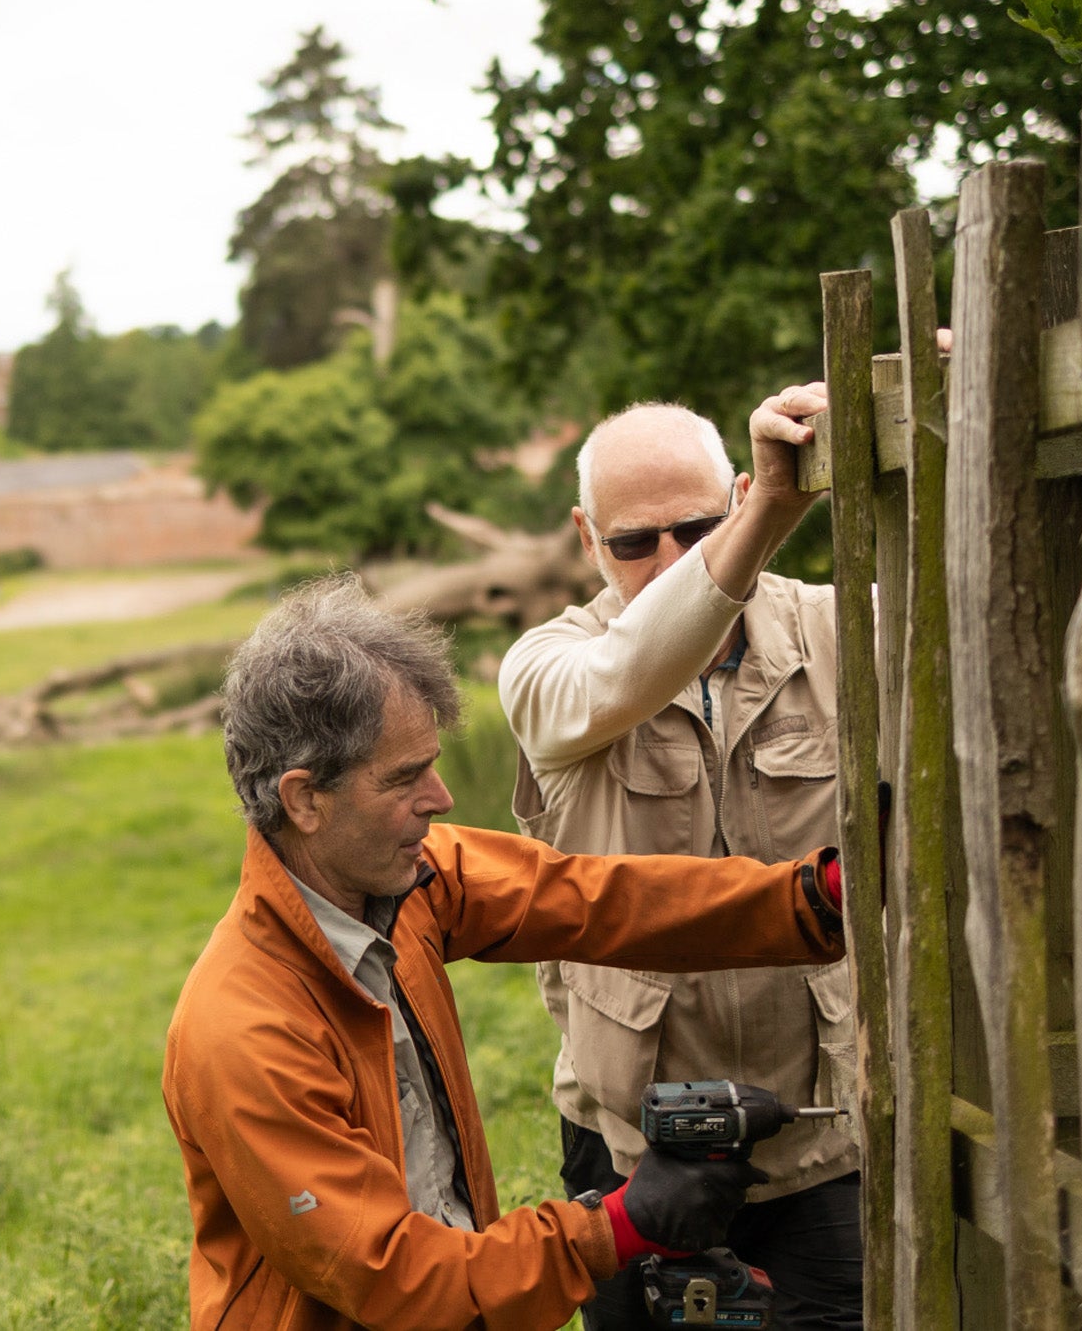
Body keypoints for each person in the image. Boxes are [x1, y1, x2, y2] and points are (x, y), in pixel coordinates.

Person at [162, 578, 847, 1331]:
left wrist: (814, 896)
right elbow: (393, 1276)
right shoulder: (245, 1032)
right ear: (303, 800)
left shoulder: (412, 882)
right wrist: (614, 1227)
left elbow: (599, 902)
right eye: (403, 777)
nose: (442, 797)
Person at [497, 386, 862, 1329]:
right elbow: (632, 669)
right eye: (633, 542)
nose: (666, 564)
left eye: (698, 529)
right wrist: (768, 520)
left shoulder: (834, 630)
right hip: (632, 1156)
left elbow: (980, 599)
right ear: (586, 537)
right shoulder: (547, 668)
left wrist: (964, 393)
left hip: (822, 1148)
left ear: (739, 497)